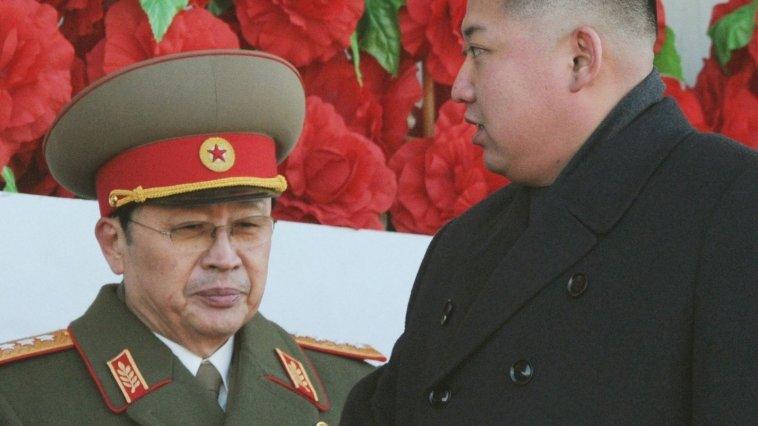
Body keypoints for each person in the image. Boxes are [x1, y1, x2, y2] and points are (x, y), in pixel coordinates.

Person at [342, 0, 757, 424]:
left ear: (579, 59)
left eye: (479, 51)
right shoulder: (464, 242)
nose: (460, 87)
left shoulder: (734, 208)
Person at [0, 50, 384, 425]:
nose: (225, 257)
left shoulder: (350, 389)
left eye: (247, 226)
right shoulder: (22, 399)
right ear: (114, 243)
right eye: (190, 230)